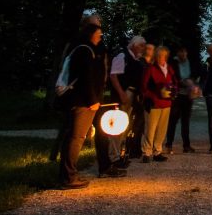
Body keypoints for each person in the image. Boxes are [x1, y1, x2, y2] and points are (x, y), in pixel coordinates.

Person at [58, 15, 119, 189]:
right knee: (76, 137)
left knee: (77, 136)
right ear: (89, 31)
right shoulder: (84, 48)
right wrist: (93, 99)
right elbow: (86, 77)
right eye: (97, 30)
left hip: (87, 99)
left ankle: (71, 174)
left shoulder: (87, 47)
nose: (100, 34)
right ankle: (68, 177)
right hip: (82, 101)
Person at [107, 35, 146, 167]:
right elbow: (113, 76)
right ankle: (113, 156)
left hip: (132, 93)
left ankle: (119, 155)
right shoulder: (122, 56)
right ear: (134, 45)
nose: (143, 48)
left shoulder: (135, 60)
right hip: (124, 93)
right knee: (117, 126)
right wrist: (121, 93)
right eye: (141, 45)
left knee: (125, 126)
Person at [140, 46, 178, 162]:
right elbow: (143, 87)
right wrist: (152, 95)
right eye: (159, 56)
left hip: (166, 104)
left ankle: (157, 151)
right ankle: (146, 153)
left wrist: (173, 92)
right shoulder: (150, 68)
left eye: (163, 56)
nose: (161, 58)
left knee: (162, 129)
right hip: (153, 104)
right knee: (150, 129)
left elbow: (175, 83)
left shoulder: (169, 69)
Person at [166, 46, 199, 154]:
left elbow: (195, 75)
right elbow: (172, 77)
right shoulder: (174, 63)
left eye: (184, 52)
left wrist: (193, 84)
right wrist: (183, 82)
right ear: (178, 53)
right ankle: (169, 144)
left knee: (186, 121)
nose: (183, 54)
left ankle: (186, 145)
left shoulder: (190, 63)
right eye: (181, 52)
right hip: (177, 95)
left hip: (188, 95)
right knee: (173, 120)